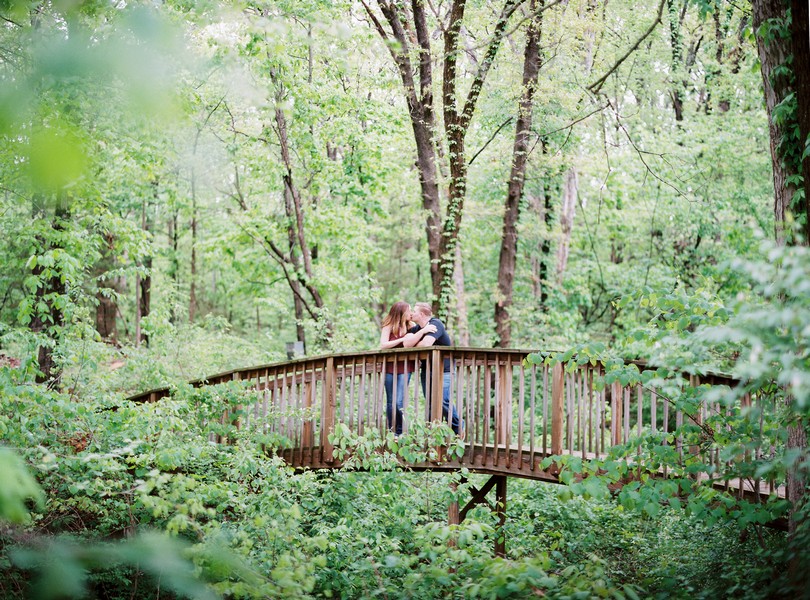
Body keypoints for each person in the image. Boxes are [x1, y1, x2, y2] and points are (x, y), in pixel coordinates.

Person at [404, 302, 462, 435]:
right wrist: (422, 333)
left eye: (414, 311)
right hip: (427, 370)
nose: (411, 313)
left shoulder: (436, 324)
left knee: (443, 400)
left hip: (444, 370)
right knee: (430, 402)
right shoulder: (417, 329)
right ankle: (433, 433)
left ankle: (458, 428)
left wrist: (416, 343)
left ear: (422, 314)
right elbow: (406, 344)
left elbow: (426, 344)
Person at [380, 302, 436, 435]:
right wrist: (401, 340)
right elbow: (383, 345)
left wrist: (421, 331)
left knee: (398, 402)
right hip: (389, 367)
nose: (410, 313)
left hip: (405, 367)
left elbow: (415, 343)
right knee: (390, 402)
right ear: (401, 313)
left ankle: (399, 432)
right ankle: (391, 431)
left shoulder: (411, 326)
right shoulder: (389, 326)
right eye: (408, 311)